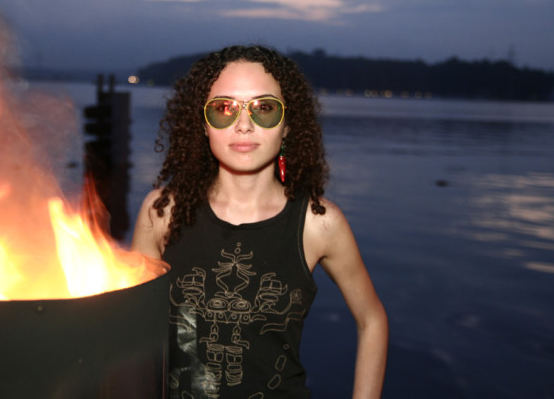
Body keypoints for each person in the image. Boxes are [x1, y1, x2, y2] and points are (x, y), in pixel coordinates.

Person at [130, 45, 388, 398]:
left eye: (264, 108)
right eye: (224, 108)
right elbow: (132, 326)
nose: (244, 125)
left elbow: (372, 319)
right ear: (203, 124)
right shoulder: (163, 212)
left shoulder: (318, 223)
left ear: (287, 125)